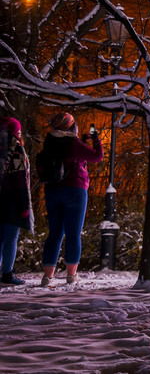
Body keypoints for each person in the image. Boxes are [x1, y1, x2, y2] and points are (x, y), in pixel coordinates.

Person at [39, 113, 103, 286]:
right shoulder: (74, 143)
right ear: (70, 126)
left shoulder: (49, 142)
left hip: (52, 190)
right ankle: (71, 275)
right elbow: (97, 156)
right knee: (73, 233)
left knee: (54, 233)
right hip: (75, 189)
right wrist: (95, 139)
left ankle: (47, 277)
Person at [0, 118, 33, 286]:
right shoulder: (15, 147)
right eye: (18, 131)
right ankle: (7, 273)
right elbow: (19, 178)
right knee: (11, 237)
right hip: (12, 199)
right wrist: (24, 205)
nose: (20, 135)